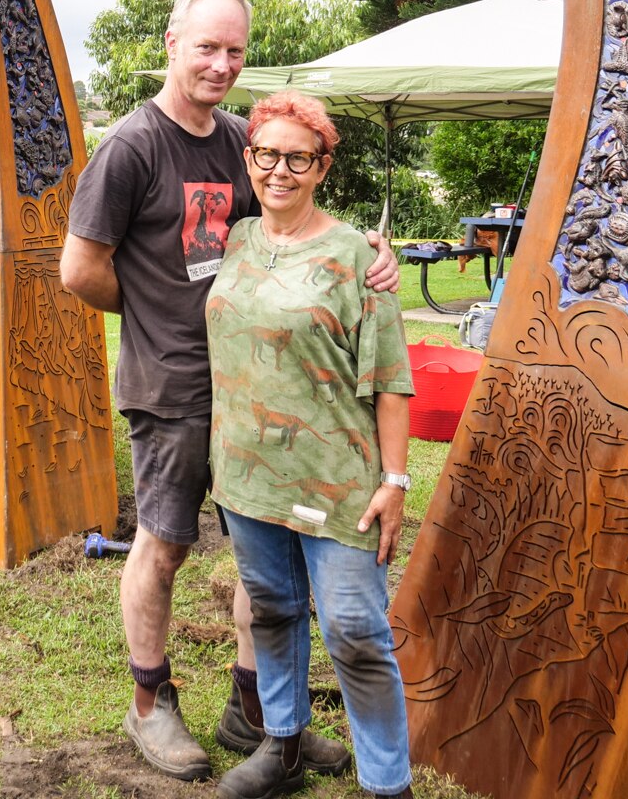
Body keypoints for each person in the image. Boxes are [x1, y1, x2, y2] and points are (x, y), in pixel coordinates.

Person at [61, 0, 398, 781]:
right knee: (165, 545)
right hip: (173, 387)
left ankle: (256, 712)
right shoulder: (133, 148)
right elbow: (79, 270)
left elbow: (292, 212)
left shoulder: (245, 140)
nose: (220, 64)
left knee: (268, 551)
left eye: (235, 50)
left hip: (259, 389)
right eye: (206, 46)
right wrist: (157, 310)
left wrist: (369, 251)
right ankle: (150, 702)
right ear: (172, 43)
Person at [207, 90, 415, 799]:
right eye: (268, 155)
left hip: (337, 479)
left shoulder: (358, 255)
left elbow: (391, 380)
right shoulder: (236, 238)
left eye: (299, 159)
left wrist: (395, 480)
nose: (281, 171)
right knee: (271, 609)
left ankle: (388, 784)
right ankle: (284, 746)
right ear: (250, 159)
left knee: (355, 630)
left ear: (323, 167)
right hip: (246, 473)